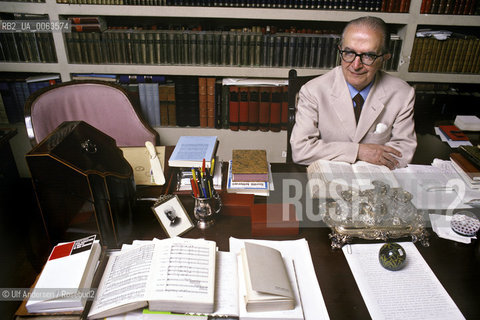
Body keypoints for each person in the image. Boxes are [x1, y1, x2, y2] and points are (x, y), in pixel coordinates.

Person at [290, 16, 416, 169]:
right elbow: (301, 151)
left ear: (385, 58)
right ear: (340, 51)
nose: (356, 66)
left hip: (376, 180)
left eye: (369, 56)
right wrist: (359, 151)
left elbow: (404, 153)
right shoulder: (313, 90)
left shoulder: (403, 94)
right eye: (349, 53)